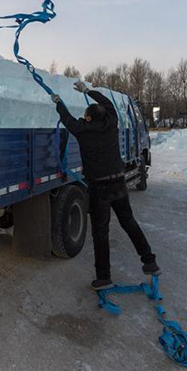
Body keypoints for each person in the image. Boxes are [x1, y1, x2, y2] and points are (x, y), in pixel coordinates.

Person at [52, 81, 160, 290]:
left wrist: (58, 102)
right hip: (118, 183)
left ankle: (104, 278)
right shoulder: (111, 123)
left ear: (89, 118)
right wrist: (88, 91)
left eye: (85, 115)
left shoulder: (83, 130)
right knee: (129, 222)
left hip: (99, 188)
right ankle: (150, 261)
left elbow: (67, 119)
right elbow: (108, 104)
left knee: (100, 233)